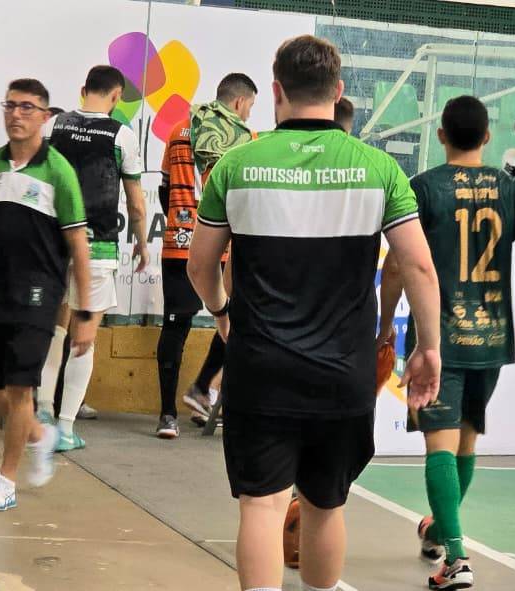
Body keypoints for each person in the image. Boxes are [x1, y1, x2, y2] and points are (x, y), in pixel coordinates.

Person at [188, 35, 443, 591]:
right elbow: (419, 269)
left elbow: (199, 266)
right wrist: (429, 347)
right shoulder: (380, 170)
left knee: (261, 505)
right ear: (339, 91)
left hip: (261, 370)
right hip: (342, 374)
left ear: (276, 90)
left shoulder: (236, 166)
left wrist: (222, 313)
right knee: (326, 505)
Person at [379, 95, 515, 590]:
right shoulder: (512, 189)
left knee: (440, 444)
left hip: (438, 339)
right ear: (486, 138)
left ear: (440, 135)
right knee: (467, 442)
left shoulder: (424, 188)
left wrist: (386, 322)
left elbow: (397, 264)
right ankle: (438, 529)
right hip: (492, 338)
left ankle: (456, 560)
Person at [0, 79, 94, 511]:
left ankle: (5, 482)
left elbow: (79, 246)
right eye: (10, 105)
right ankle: (41, 436)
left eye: (27, 108)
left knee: (21, 388)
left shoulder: (58, 171)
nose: (16, 114)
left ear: (45, 117)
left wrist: (84, 311)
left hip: (39, 297)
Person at [37, 65, 148, 451]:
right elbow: (135, 200)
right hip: (98, 249)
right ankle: (65, 427)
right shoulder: (122, 135)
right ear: (116, 97)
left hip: (53, 245)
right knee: (86, 338)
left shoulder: (53, 127)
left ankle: (41, 413)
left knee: (57, 330)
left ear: (84, 89)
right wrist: (142, 242)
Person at [153, 72, 259, 438]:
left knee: (175, 324)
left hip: (179, 243)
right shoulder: (246, 142)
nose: (247, 116)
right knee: (229, 320)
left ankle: (168, 415)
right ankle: (200, 387)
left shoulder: (178, 132)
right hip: (224, 247)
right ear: (240, 103)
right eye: (249, 108)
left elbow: (165, 191)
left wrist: (181, 222)